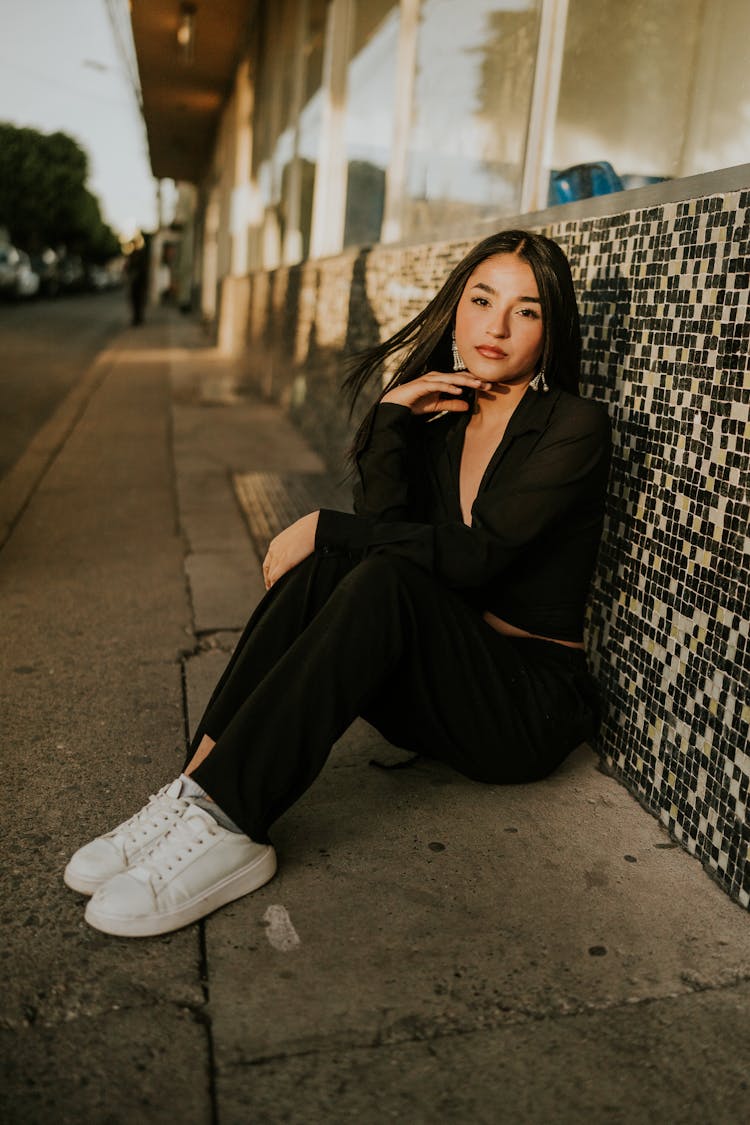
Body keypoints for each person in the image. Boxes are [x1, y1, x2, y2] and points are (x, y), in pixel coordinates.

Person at [64, 229, 611, 938]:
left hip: (520, 708)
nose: (496, 325)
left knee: (361, 563)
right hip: (440, 692)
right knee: (346, 564)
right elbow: (386, 535)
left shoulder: (573, 425)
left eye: (526, 310)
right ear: (456, 306)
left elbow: (479, 557)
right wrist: (391, 419)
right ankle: (195, 787)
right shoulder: (444, 421)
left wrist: (327, 525)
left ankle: (232, 822)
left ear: (552, 327)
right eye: (482, 299)